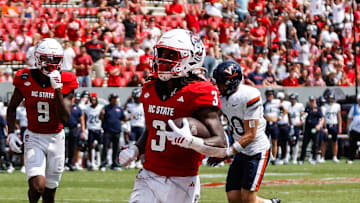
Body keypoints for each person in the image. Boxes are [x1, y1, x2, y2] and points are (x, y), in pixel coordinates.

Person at [118, 29, 227, 203]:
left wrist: (191, 142)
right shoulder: (150, 88)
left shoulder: (199, 91)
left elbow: (221, 146)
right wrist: (136, 149)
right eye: (161, 53)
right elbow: (153, 128)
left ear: (190, 58)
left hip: (182, 180)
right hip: (148, 175)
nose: (163, 59)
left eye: (171, 54)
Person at [6, 38, 78, 203]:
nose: (52, 64)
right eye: (48, 59)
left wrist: (57, 89)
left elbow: (65, 117)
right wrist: (11, 133)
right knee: (38, 186)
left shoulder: (67, 79)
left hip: (56, 138)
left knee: (49, 192)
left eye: (56, 59)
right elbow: (11, 108)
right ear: (38, 59)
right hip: (34, 137)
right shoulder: (25, 77)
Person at [204, 61, 279, 203]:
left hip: (256, 151)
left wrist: (226, 153)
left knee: (247, 199)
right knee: (233, 197)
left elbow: (250, 135)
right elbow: (213, 118)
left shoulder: (249, 95)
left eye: (221, 82)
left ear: (232, 82)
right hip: (241, 151)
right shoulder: (222, 96)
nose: (217, 85)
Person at [99, 93, 126, 171]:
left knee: (116, 148)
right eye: (113, 98)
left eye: (115, 98)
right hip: (107, 131)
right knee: (105, 148)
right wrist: (102, 114)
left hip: (117, 131)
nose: (114, 100)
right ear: (110, 99)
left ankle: (115, 164)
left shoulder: (119, 109)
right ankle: (103, 164)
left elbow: (123, 118)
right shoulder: (106, 108)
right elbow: (101, 118)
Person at [299, 96, 324, 165]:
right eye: (311, 101)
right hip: (308, 128)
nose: (312, 102)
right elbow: (303, 117)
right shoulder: (307, 108)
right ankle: (301, 159)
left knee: (315, 144)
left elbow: (322, 118)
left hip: (315, 128)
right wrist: (302, 115)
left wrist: (319, 125)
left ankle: (314, 158)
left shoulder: (318, 109)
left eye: (313, 101)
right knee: (305, 144)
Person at [64, 92, 85, 171]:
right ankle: (63, 164)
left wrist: (83, 131)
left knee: (72, 147)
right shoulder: (65, 105)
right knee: (64, 146)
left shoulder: (77, 108)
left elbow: (82, 119)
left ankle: (70, 163)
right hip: (65, 127)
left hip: (74, 128)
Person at [124, 88, 145, 169]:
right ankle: (132, 161)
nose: (137, 100)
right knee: (132, 145)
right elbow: (124, 114)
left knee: (140, 146)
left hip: (141, 126)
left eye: (138, 98)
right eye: (135, 98)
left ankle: (139, 161)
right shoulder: (130, 105)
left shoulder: (144, 105)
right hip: (133, 127)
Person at [84, 92, 104, 170]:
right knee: (90, 146)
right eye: (92, 100)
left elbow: (102, 118)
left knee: (99, 146)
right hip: (90, 129)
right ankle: (92, 162)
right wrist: (84, 129)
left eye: (94, 100)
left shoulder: (101, 107)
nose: (93, 101)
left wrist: (102, 115)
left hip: (98, 129)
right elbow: (85, 118)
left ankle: (98, 162)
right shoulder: (87, 108)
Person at [321, 93, 342, 163]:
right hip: (327, 125)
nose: (330, 100)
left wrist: (340, 127)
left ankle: (335, 156)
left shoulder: (337, 106)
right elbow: (323, 117)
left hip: (334, 125)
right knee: (324, 141)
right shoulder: (324, 106)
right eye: (329, 98)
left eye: (332, 98)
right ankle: (322, 157)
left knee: (335, 141)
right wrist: (324, 127)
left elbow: (339, 117)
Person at [287, 93, 305, 164]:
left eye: (294, 99)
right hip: (289, 126)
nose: (292, 100)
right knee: (288, 142)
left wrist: (301, 122)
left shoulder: (299, 106)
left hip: (296, 126)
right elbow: (288, 116)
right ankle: (287, 157)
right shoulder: (288, 106)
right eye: (291, 99)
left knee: (296, 142)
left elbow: (304, 115)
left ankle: (294, 158)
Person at [346, 95, 360, 164]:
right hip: (354, 129)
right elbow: (349, 118)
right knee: (353, 145)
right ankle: (351, 159)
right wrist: (348, 128)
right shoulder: (354, 107)